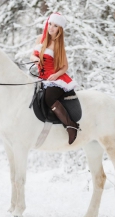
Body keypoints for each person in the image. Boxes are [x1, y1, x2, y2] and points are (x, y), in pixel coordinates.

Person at [30, 12, 79, 144]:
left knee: (49, 97)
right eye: (50, 24)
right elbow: (32, 55)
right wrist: (36, 59)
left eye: (55, 26)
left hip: (56, 79)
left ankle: (71, 125)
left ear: (60, 29)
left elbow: (64, 67)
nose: (51, 27)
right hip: (42, 78)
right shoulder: (40, 38)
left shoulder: (58, 45)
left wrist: (55, 75)